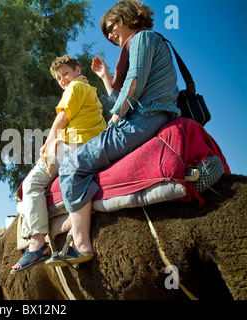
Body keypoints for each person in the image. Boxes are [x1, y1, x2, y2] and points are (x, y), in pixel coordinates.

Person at [48, 0, 181, 266]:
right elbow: (124, 95)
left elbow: (133, 83)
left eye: (112, 26)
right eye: (106, 32)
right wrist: (106, 77)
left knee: (72, 163)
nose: (110, 35)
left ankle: (81, 244)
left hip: (141, 121)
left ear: (129, 17)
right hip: (147, 117)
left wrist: (115, 118)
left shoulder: (143, 38)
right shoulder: (151, 42)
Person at [11, 55, 106, 273]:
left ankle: (36, 244)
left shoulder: (74, 88)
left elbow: (62, 118)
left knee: (31, 184)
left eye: (65, 73)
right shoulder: (92, 93)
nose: (63, 79)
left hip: (71, 145)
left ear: (77, 70)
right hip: (91, 147)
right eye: (58, 77)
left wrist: (48, 143)